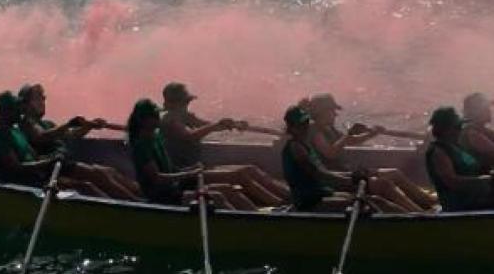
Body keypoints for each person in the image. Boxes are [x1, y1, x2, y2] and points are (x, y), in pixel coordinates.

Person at [159, 82, 288, 207]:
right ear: (175, 103)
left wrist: (234, 124)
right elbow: (190, 137)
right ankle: (279, 207)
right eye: (184, 102)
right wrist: (216, 126)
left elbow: (207, 124)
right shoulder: (169, 120)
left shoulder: (184, 116)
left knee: (250, 169)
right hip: (186, 176)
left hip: (198, 169)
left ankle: (290, 198)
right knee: (240, 175)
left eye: (187, 102)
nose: (186, 105)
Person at [304, 93, 435, 212]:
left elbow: (351, 141)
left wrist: (372, 133)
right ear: (322, 112)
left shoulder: (328, 128)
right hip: (335, 178)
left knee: (394, 173)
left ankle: (428, 202)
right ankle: (418, 214)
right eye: (332, 111)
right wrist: (347, 136)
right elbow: (330, 153)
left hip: (346, 173)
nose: (335, 114)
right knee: (383, 185)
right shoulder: (314, 130)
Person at [18, 84, 141, 200]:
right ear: (25, 104)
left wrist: (90, 126)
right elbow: (41, 136)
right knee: (98, 176)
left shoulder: (48, 124)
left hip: (65, 164)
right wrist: (69, 124)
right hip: (53, 168)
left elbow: (72, 135)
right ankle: (135, 204)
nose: (42, 102)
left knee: (109, 172)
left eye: (43, 98)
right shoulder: (27, 124)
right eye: (37, 98)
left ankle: (144, 195)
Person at [127, 99, 254, 209]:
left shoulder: (156, 139)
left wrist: (191, 169)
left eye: (157, 114)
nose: (157, 117)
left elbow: (171, 170)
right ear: (143, 120)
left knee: (226, 189)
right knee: (217, 197)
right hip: (161, 196)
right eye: (153, 115)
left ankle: (255, 220)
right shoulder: (141, 146)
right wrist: (189, 174)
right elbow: (158, 178)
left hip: (174, 188)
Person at [0, 91, 105, 197]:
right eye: (17, 107)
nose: (21, 110)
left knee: (87, 185)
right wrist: (49, 162)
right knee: (85, 187)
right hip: (22, 186)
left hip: (37, 177)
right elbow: (17, 168)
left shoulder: (15, 131)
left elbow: (34, 156)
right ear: (6, 111)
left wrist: (51, 158)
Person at [281, 105, 396, 212]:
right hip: (308, 201)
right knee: (370, 203)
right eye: (301, 124)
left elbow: (324, 172)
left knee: (375, 200)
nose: (305, 127)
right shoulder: (296, 148)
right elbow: (320, 174)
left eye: (306, 122)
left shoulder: (303, 144)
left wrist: (352, 176)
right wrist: (350, 180)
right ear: (292, 127)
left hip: (321, 193)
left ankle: (408, 218)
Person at [426, 106, 494, 211]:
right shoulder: (438, 153)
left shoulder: (456, 147)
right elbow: (453, 182)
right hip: (460, 203)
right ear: (446, 129)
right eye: (458, 126)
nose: (460, 129)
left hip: (476, 195)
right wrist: (485, 180)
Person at [460, 93, 494, 171]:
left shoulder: (481, 130)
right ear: (476, 112)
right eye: (485, 108)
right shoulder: (472, 133)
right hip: (481, 180)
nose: (489, 111)